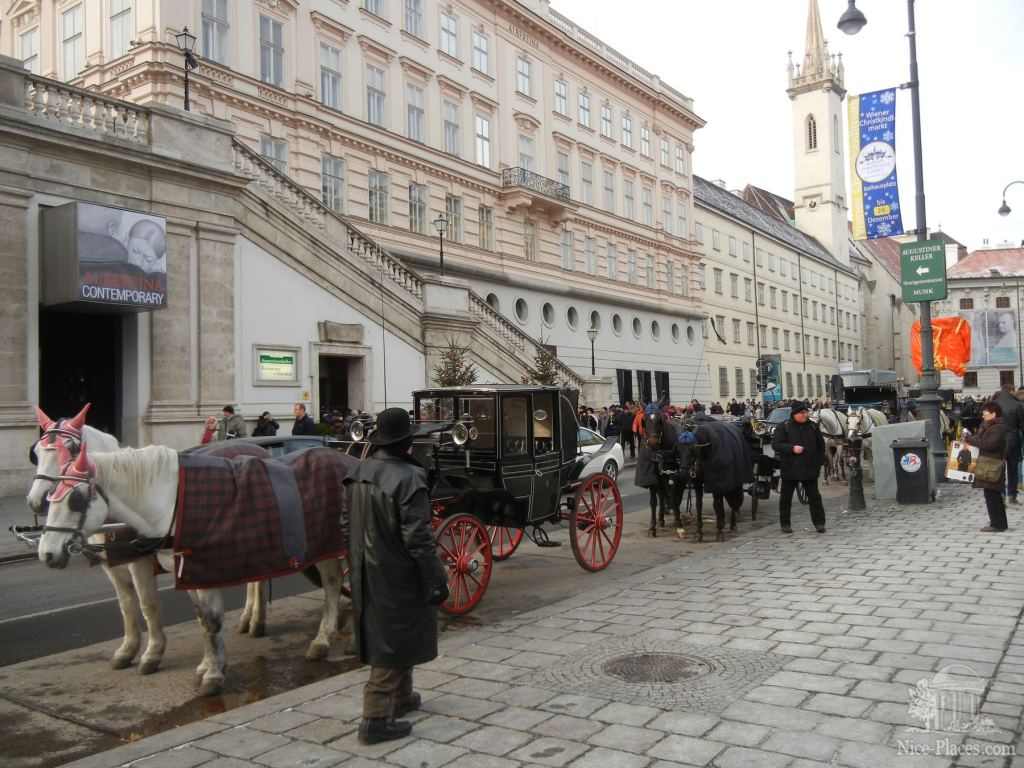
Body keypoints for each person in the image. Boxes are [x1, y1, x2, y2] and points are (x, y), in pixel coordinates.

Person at [342, 408, 449, 744]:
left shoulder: (358, 471)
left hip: (365, 567)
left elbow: (345, 524)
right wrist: (436, 577)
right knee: (393, 637)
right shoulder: (409, 477)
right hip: (397, 570)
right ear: (406, 442)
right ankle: (374, 717)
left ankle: (402, 696)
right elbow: (418, 537)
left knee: (396, 632)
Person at [771, 401, 827, 533]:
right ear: (794, 414)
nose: (805, 415)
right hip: (790, 469)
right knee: (786, 498)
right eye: (802, 413)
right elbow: (776, 445)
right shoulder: (784, 426)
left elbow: (821, 445)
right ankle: (785, 524)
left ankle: (819, 523)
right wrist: (792, 448)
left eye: (806, 412)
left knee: (815, 497)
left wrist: (819, 462)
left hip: (809, 468)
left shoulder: (813, 426)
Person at [964, 401, 1009, 532]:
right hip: (987, 463)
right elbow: (981, 441)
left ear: (994, 414)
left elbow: (989, 444)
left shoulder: (998, 428)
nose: (983, 416)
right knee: (991, 494)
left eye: (985, 414)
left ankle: (997, 524)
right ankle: (999, 522)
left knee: (992, 495)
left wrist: (971, 439)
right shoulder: (988, 426)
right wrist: (970, 439)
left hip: (992, 465)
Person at [993, 384, 1024, 505]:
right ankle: (1012, 496)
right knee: (1013, 468)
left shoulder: (993, 403)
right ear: (1011, 391)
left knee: (999, 469)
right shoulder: (1017, 404)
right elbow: (1022, 425)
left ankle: (1001, 496)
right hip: (1013, 439)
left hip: (997, 439)